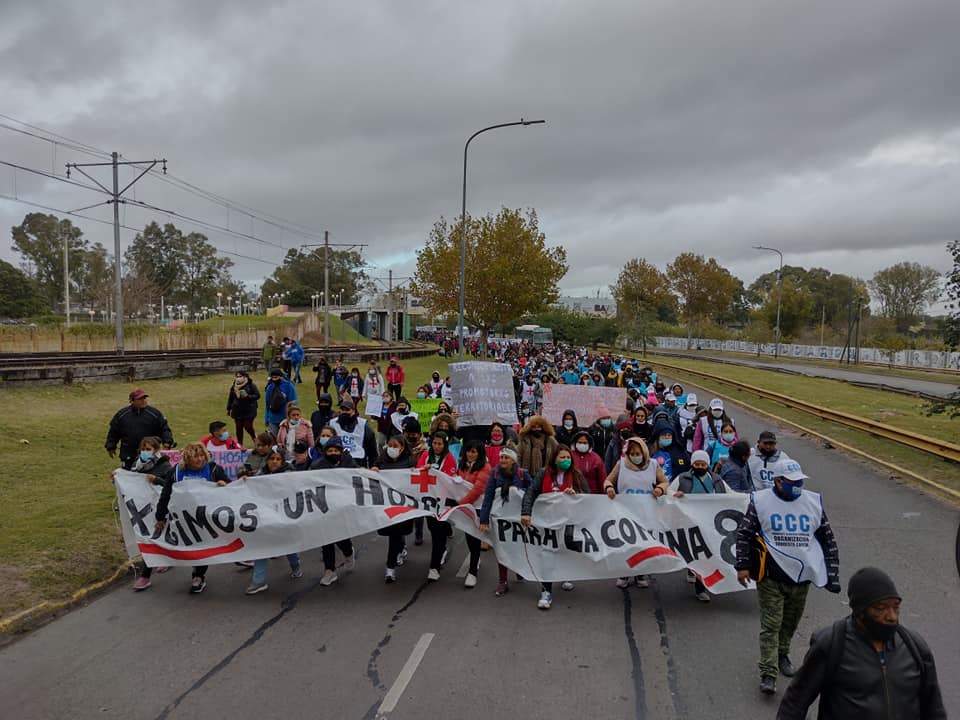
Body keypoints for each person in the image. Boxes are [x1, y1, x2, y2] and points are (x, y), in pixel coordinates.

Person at [777, 567, 946, 719]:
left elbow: (934, 707)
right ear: (860, 612)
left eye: (896, 607)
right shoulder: (831, 645)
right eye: (881, 608)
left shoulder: (914, 647)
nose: (892, 616)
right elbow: (795, 704)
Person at [735, 458, 841, 695]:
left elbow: (827, 539)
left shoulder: (813, 502)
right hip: (771, 577)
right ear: (779, 481)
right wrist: (742, 566)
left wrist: (832, 574)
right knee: (771, 625)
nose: (798, 485)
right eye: (792, 482)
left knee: (789, 623)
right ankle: (768, 672)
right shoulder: (761, 502)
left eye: (800, 481)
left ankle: (783, 653)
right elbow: (744, 534)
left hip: (801, 578)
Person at [156, 443, 231, 594]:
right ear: (187, 458)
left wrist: (223, 484)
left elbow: (230, 487)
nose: (199, 459)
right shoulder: (176, 472)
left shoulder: (214, 469)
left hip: (209, 517)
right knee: (194, 546)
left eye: (202, 455)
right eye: (195, 456)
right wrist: (160, 516)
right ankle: (197, 572)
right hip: (185, 519)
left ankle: (198, 575)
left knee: (205, 544)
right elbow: (166, 495)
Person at [521, 446, 589, 609]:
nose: (565, 460)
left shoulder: (576, 475)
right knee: (547, 554)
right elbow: (531, 492)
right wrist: (526, 512)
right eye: (562, 457)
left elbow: (587, 496)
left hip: (567, 521)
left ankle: (566, 574)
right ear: (554, 459)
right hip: (547, 522)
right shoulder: (544, 473)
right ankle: (546, 591)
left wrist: (576, 494)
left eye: (568, 457)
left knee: (566, 549)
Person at [603, 437, 669, 590]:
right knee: (627, 544)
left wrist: (660, 489)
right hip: (626, 512)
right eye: (631, 453)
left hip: (646, 513)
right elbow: (608, 480)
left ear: (644, 452)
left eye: (638, 453)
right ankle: (624, 573)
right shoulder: (621, 465)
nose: (635, 455)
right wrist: (609, 489)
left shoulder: (653, 465)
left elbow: (665, 482)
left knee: (643, 545)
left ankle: (641, 574)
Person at [673, 450, 729, 602]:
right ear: (692, 464)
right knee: (692, 550)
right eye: (697, 464)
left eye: (703, 464)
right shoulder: (682, 478)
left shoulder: (717, 480)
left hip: (709, 523)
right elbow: (669, 493)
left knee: (705, 554)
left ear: (708, 464)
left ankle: (701, 587)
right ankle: (692, 569)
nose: (700, 466)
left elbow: (730, 495)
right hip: (688, 522)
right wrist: (675, 495)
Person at [244, 449, 302, 594]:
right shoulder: (260, 475)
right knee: (262, 547)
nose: (274, 462)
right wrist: (245, 482)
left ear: (282, 462)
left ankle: (296, 566)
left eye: (278, 459)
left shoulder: (289, 475)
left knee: (288, 545)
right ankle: (259, 581)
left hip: (284, 518)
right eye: (272, 459)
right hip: (265, 518)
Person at [478, 447, 533, 596]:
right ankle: (503, 582)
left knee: (518, 547)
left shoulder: (522, 474)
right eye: (501, 457)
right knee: (502, 550)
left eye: (506, 458)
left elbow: (532, 493)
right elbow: (488, 497)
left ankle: (519, 569)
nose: (502, 460)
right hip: (500, 519)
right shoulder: (495, 474)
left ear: (513, 460)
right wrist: (484, 520)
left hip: (517, 519)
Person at [308, 437, 357, 585]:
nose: (333, 453)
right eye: (330, 450)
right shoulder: (317, 466)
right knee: (326, 539)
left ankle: (348, 552)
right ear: (325, 452)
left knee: (341, 537)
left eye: (336, 450)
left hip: (342, 507)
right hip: (324, 507)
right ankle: (329, 571)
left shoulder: (348, 463)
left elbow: (358, 477)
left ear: (341, 452)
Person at [131, 437, 176, 591]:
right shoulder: (136, 466)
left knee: (157, 535)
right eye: (143, 449)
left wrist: (156, 479)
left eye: (148, 449)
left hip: (160, 508)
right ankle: (149, 572)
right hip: (143, 509)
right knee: (148, 537)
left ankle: (146, 574)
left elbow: (171, 486)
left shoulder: (165, 465)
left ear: (156, 450)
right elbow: (128, 480)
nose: (145, 452)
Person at [370, 435, 415, 583]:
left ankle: (390, 568)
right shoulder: (381, 461)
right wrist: (374, 470)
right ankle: (400, 548)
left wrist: (415, 471)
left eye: (395, 446)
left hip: (402, 505)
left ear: (402, 448)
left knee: (395, 534)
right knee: (392, 533)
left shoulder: (409, 461)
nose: (392, 448)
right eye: (390, 445)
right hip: (386, 504)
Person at [417, 431, 458, 580]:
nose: (436, 446)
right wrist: (424, 469)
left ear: (445, 444)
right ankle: (441, 550)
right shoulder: (426, 455)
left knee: (438, 533)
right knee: (432, 528)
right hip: (428, 500)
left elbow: (449, 478)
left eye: (439, 443)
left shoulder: (449, 458)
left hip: (442, 502)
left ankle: (434, 567)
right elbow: (417, 471)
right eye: (434, 443)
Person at [105, 388, 174, 469]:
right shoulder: (121, 415)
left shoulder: (154, 414)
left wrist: (167, 442)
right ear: (131, 401)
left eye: (144, 398)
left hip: (150, 453)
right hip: (129, 454)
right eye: (140, 399)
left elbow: (164, 428)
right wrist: (111, 446)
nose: (143, 400)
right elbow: (114, 431)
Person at [455, 439, 491, 589]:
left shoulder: (485, 467)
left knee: (474, 538)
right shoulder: (463, 465)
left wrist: (461, 502)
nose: (470, 454)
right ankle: (475, 561)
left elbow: (478, 489)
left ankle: (472, 572)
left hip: (478, 507)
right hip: (465, 506)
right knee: (469, 537)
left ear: (480, 453)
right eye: (468, 451)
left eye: (474, 451)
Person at [329, 398, 377, 466]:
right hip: (337, 461)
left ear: (354, 411)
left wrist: (373, 466)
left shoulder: (363, 425)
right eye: (343, 410)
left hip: (358, 461)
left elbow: (372, 451)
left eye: (347, 410)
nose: (345, 412)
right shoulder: (332, 423)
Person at [225, 371, 260, 446]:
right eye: (237, 376)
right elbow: (231, 398)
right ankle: (240, 444)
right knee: (238, 428)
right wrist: (229, 408)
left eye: (240, 376)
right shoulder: (234, 386)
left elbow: (257, 395)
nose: (238, 378)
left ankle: (254, 438)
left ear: (245, 377)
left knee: (248, 426)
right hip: (237, 410)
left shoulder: (251, 385)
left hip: (249, 409)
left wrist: (248, 396)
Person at [264, 367, 297, 437]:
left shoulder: (289, 386)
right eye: (272, 378)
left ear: (281, 377)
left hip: (286, 418)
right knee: (273, 439)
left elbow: (293, 402)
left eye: (276, 377)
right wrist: (266, 418)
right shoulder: (270, 387)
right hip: (273, 418)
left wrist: (292, 417)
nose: (274, 379)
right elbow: (267, 403)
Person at [570, 429, 606, 494]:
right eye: (580, 442)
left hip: (592, 495)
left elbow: (602, 478)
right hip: (574, 494)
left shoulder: (595, 458)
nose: (582, 444)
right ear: (575, 443)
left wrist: (604, 494)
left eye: (585, 443)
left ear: (589, 444)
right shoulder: (569, 455)